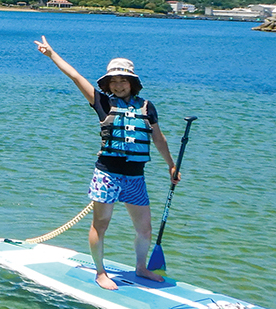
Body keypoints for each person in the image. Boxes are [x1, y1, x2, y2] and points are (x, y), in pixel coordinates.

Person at [34, 35, 181, 290]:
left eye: (122, 80)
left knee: (144, 228)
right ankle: (100, 272)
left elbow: (158, 138)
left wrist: (171, 164)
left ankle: (141, 268)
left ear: (132, 82)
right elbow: (76, 77)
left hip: (135, 176)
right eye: (113, 81)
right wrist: (52, 54)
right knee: (100, 225)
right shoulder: (102, 102)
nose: (117, 85)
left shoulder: (147, 107)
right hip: (107, 175)